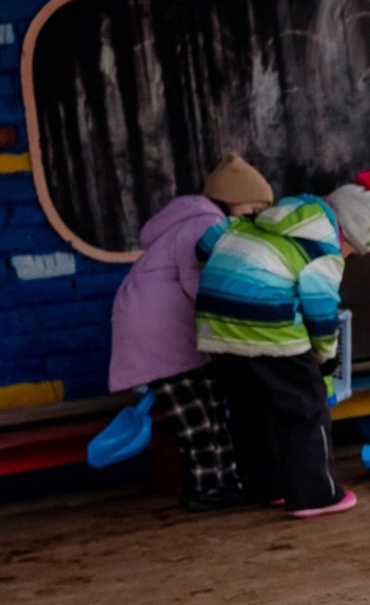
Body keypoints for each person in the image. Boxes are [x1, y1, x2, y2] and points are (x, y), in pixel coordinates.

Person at [195, 169, 370, 518]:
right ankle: (317, 495)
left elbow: (205, 243)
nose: (347, 257)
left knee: (251, 407)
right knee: (306, 408)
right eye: (353, 250)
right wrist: (326, 357)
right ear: (346, 233)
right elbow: (321, 312)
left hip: (216, 322)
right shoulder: (324, 248)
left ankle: (269, 486)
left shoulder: (264, 219)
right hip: (267, 322)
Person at [108, 154, 274, 512]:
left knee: (209, 402)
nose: (254, 217)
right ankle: (208, 488)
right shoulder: (204, 225)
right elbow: (199, 281)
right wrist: (239, 309)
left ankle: (223, 481)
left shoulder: (195, 220)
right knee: (195, 413)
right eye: (252, 209)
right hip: (158, 334)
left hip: (161, 330)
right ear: (230, 199)